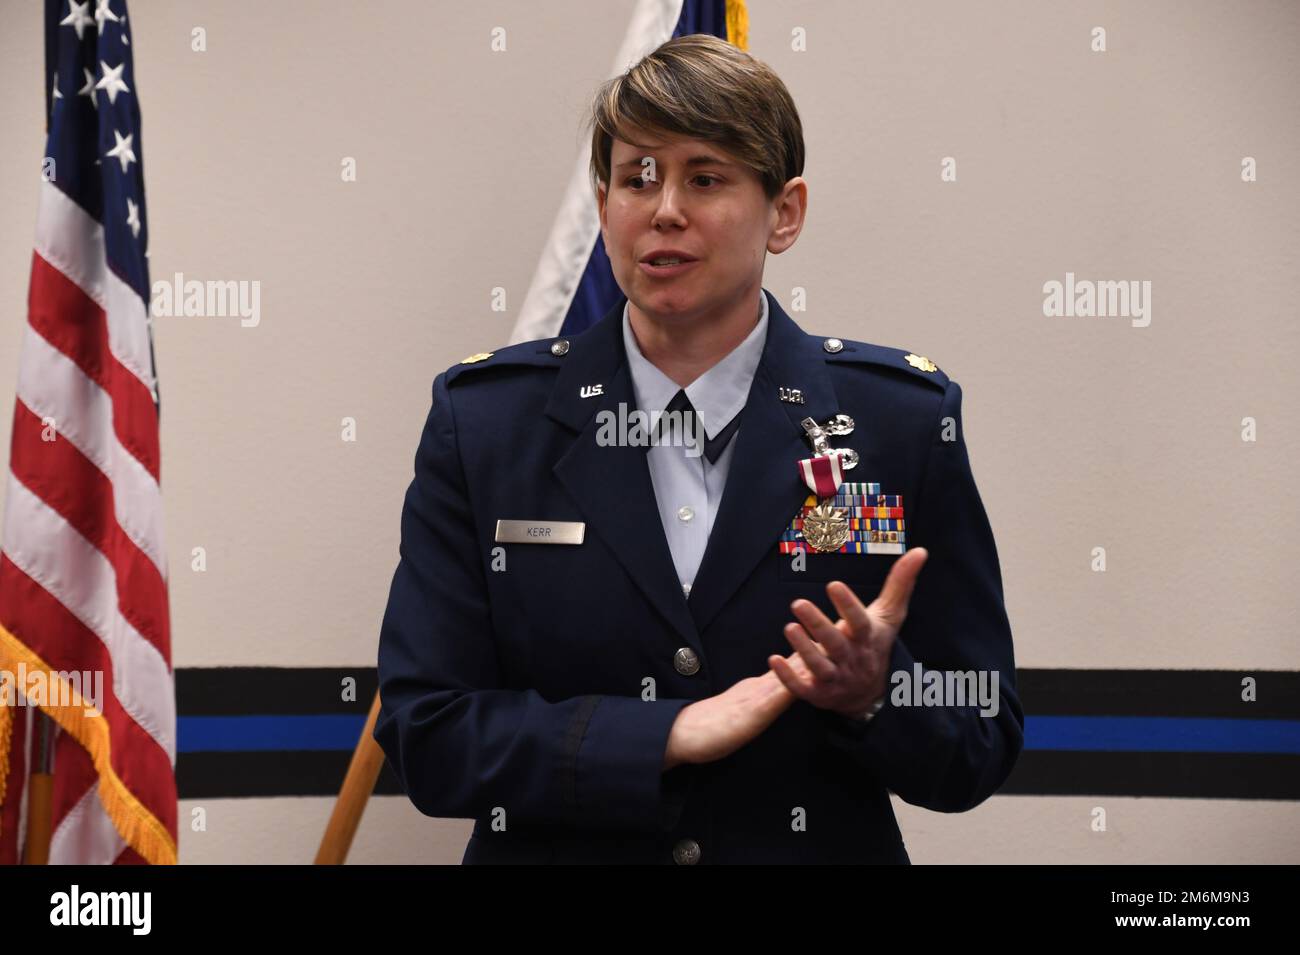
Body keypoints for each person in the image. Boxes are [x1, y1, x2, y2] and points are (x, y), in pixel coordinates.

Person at [374, 34, 1022, 864]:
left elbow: (981, 736)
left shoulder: (898, 421)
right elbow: (427, 730)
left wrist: (875, 695)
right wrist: (664, 734)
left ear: (784, 212)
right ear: (603, 202)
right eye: (635, 176)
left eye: (705, 177)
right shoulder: (488, 424)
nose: (663, 208)